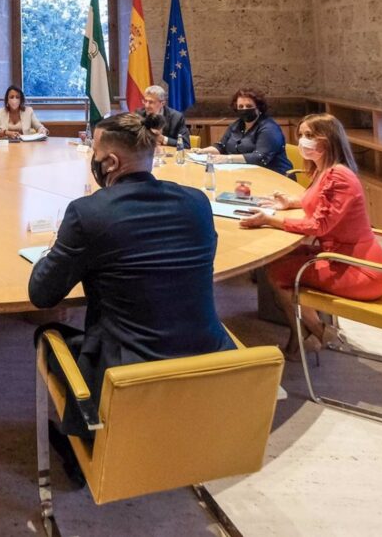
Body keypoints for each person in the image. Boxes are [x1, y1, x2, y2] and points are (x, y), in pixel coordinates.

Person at [28, 111, 235, 481]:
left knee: (46, 336)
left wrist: (58, 247)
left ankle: (83, 450)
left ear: (109, 162)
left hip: (128, 379)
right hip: (210, 366)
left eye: (94, 152)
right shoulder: (196, 204)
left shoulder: (88, 213)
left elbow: (42, 294)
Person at [240, 114, 382, 360]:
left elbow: (318, 226)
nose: (302, 141)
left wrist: (270, 220)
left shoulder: (338, 176)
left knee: (280, 272)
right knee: (278, 261)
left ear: (328, 139)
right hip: (340, 254)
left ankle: (318, 332)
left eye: (310, 135)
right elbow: (321, 204)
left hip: (360, 268)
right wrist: (290, 202)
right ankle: (305, 332)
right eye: (301, 135)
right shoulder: (325, 170)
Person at [195, 87, 293, 176]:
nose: (244, 109)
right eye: (241, 107)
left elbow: (260, 158)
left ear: (259, 108)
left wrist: (227, 159)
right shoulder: (237, 125)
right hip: (246, 174)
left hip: (275, 176)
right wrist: (202, 151)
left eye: (249, 106)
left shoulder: (269, 128)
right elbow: (221, 146)